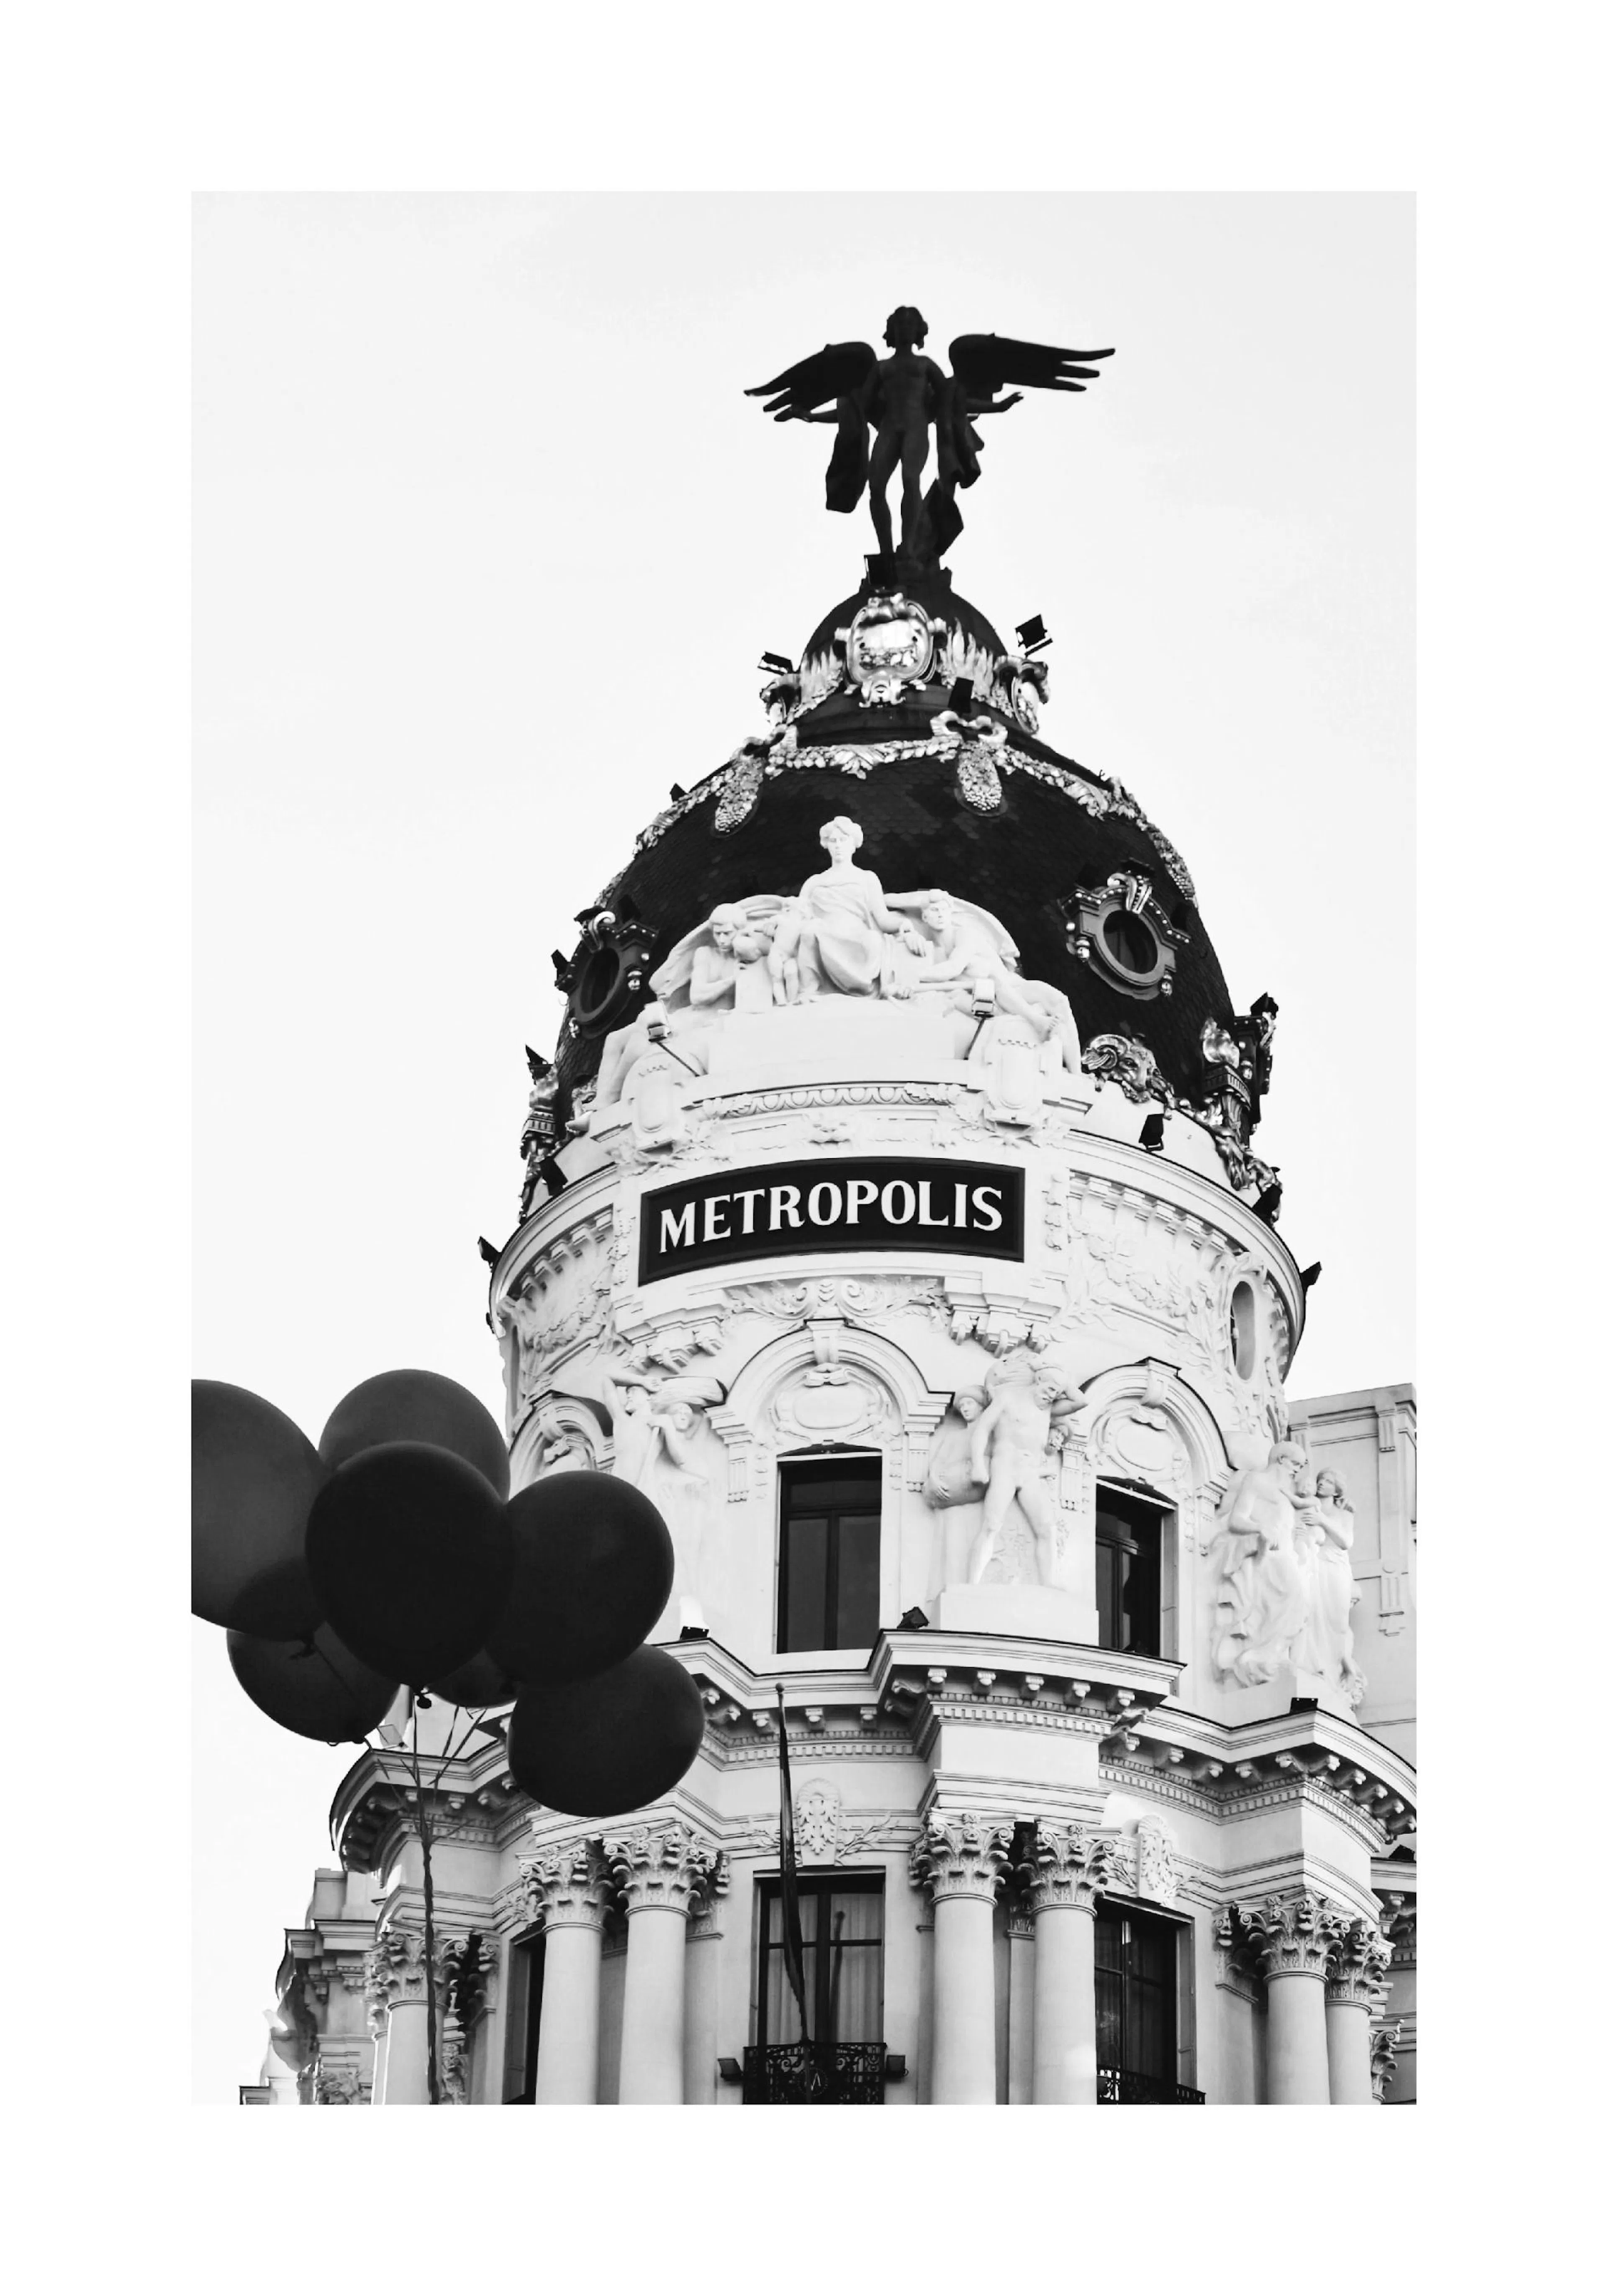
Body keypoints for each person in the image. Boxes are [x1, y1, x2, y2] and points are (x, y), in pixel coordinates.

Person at [767, 817, 926, 1002]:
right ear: (827, 845)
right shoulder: (815, 882)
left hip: (857, 935)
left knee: (873, 939)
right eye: (833, 841)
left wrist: (905, 925)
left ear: (854, 845)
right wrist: (774, 924)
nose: (838, 846)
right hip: (823, 932)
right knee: (810, 931)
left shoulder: (867, 878)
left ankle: (865, 987)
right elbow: (797, 914)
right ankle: (809, 989)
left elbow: (882, 918)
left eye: (843, 840)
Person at [965, 1353, 1079, 1586]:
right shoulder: (1008, 1398)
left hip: (1030, 1473)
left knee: (1048, 1529)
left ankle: (1049, 1584)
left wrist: (1062, 1378)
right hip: (1006, 1467)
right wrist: (978, 1464)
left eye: (1057, 1394)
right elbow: (982, 1430)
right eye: (1049, 1389)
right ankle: (973, 1583)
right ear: (1038, 1381)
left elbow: (1081, 1402)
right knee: (991, 1525)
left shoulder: (1048, 1409)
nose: (1051, 1397)